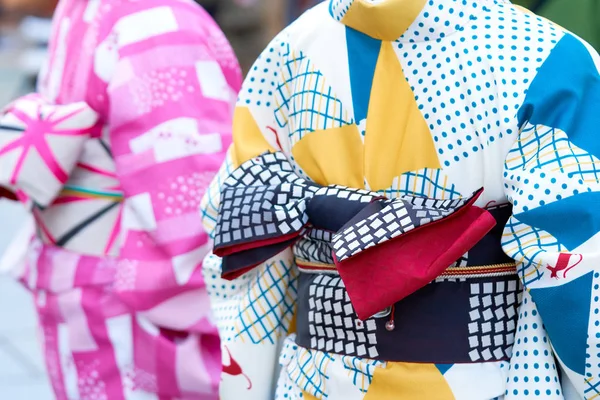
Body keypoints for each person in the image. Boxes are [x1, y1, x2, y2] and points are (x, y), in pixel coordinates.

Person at [201, 0, 600, 398]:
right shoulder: (542, 55)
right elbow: (577, 271)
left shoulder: (284, 54)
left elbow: (243, 248)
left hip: (314, 381)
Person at [0, 0, 241, 398]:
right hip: (132, 307)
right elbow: (193, 208)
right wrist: (236, 312)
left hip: (82, 283)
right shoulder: (157, 21)